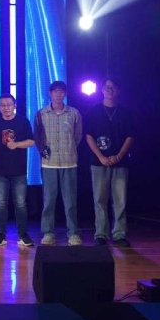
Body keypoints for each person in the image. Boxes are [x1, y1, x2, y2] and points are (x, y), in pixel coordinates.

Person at [85, 78, 135, 247]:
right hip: (98, 161)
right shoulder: (93, 111)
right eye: (107, 87)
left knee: (120, 200)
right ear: (101, 89)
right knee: (100, 199)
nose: (109, 90)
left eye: (113, 87)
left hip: (120, 162)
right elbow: (89, 136)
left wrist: (119, 156)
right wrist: (100, 156)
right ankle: (101, 234)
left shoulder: (125, 113)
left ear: (118, 91)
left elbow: (130, 137)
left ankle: (119, 234)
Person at [34, 80, 83, 246]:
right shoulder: (41, 113)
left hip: (69, 162)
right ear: (50, 93)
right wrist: (44, 152)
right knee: (49, 201)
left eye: (61, 91)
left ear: (65, 94)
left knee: (70, 201)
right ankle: (48, 233)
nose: (58, 94)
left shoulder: (74, 113)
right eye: (55, 91)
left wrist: (69, 148)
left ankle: (73, 233)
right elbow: (38, 137)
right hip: (49, 163)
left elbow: (78, 136)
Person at [0, 93, 36, 248]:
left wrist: (16, 144)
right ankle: (1, 234)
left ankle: (23, 234)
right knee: (1, 204)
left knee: (20, 204)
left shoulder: (23, 121)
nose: (6, 108)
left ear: (15, 106)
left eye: (9, 104)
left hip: (18, 169)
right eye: (2, 105)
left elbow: (31, 141)